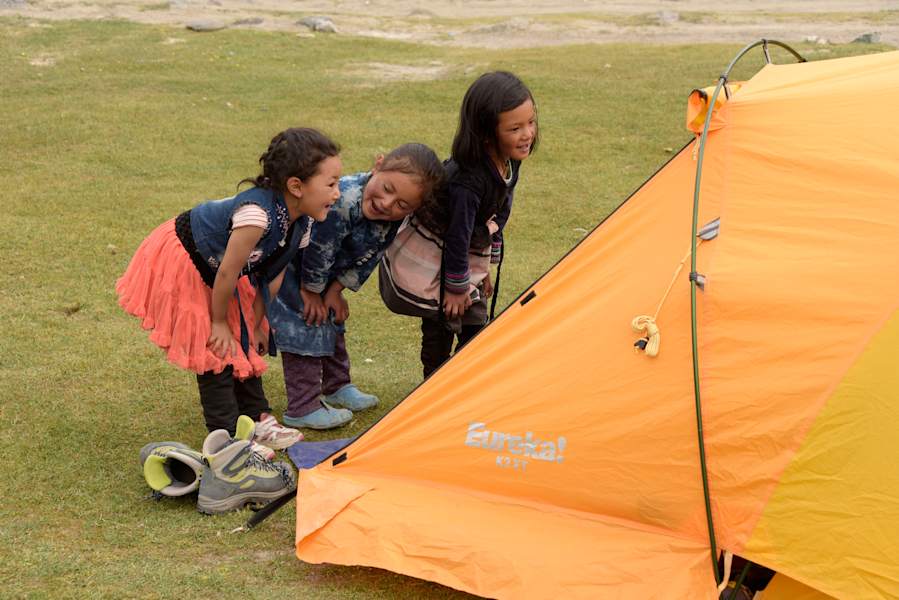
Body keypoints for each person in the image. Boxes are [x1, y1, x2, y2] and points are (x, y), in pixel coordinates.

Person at [116, 127, 342, 449]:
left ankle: (258, 419)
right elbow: (226, 274)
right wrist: (219, 322)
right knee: (216, 347)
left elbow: (273, 274)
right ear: (296, 186)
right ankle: (226, 438)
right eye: (331, 184)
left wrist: (258, 322)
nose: (337, 193)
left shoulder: (302, 221)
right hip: (191, 260)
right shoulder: (256, 216)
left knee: (244, 339)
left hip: (226, 270)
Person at [268, 143, 444, 429]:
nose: (388, 204)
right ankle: (302, 406)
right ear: (378, 165)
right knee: (305, 328)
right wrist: (312, 292)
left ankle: (337, 385)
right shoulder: (344, 200)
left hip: (323, 279)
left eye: (402, 205)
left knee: (333, 322)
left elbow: (370, 256)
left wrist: (335, 291)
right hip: (294, 273)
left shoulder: (391, 221)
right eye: (387, 188)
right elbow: (317, 248)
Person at [415, 71, 538, 377]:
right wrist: (456, 288)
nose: (527, 134)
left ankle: (462, 382)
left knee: (475, 327)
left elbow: (500, 211)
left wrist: (484, 268)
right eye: (515, 128)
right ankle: (431, 388)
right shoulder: (468, 180)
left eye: (531, 122)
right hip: (439, 262)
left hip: (467, 259)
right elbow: (458, 235)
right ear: (486, 133)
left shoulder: (510, 160)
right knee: (441, 326)